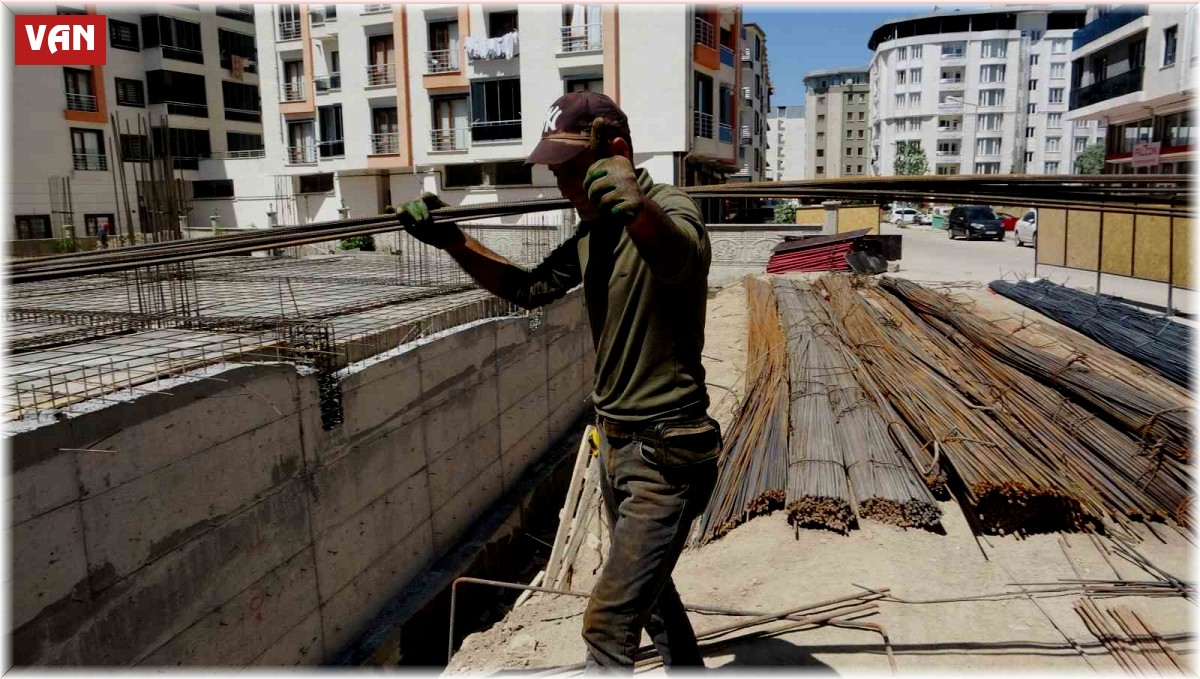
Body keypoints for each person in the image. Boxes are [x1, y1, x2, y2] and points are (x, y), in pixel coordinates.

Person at [397, 91, 719, 670]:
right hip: (617, 446)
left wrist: (638, 206)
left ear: (617, 152)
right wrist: (454, 242)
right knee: (648, 598)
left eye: (573, 169)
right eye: (556, 171)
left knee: (606, 627)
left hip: (667, 452)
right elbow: (531, 288)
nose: (564, 185)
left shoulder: (670, 207)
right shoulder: (593, 229)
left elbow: (682, 260)